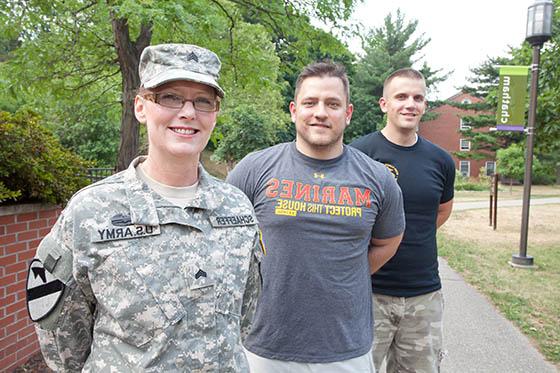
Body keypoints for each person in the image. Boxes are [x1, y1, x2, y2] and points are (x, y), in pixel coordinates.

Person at [26, 43, 263, 372]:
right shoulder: (90, 212)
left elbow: (245, 316)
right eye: (170, 97)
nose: (188, 112)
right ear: (140, 106)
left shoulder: (237, 209)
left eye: (203, 101)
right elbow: (61, 340)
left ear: (215, 113)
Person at [227, 61, 405, 372]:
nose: (320, 112)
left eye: (332, 104)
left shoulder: (378, 179)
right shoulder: (254, 170)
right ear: (294, 110)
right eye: (311, 103)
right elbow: (225, 241)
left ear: (347, 114)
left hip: (345, 348)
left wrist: (345, 275)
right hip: (264, 345)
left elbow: (388, 241)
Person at [350, 68, 455, 373]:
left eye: (417, 98)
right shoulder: (358, 155)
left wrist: (407, 234)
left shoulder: (441, 161)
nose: (410, 104)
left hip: (423, 296)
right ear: (384, 104)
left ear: (425, 105)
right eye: (401, 97)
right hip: (367, 293)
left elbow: (441, 211)